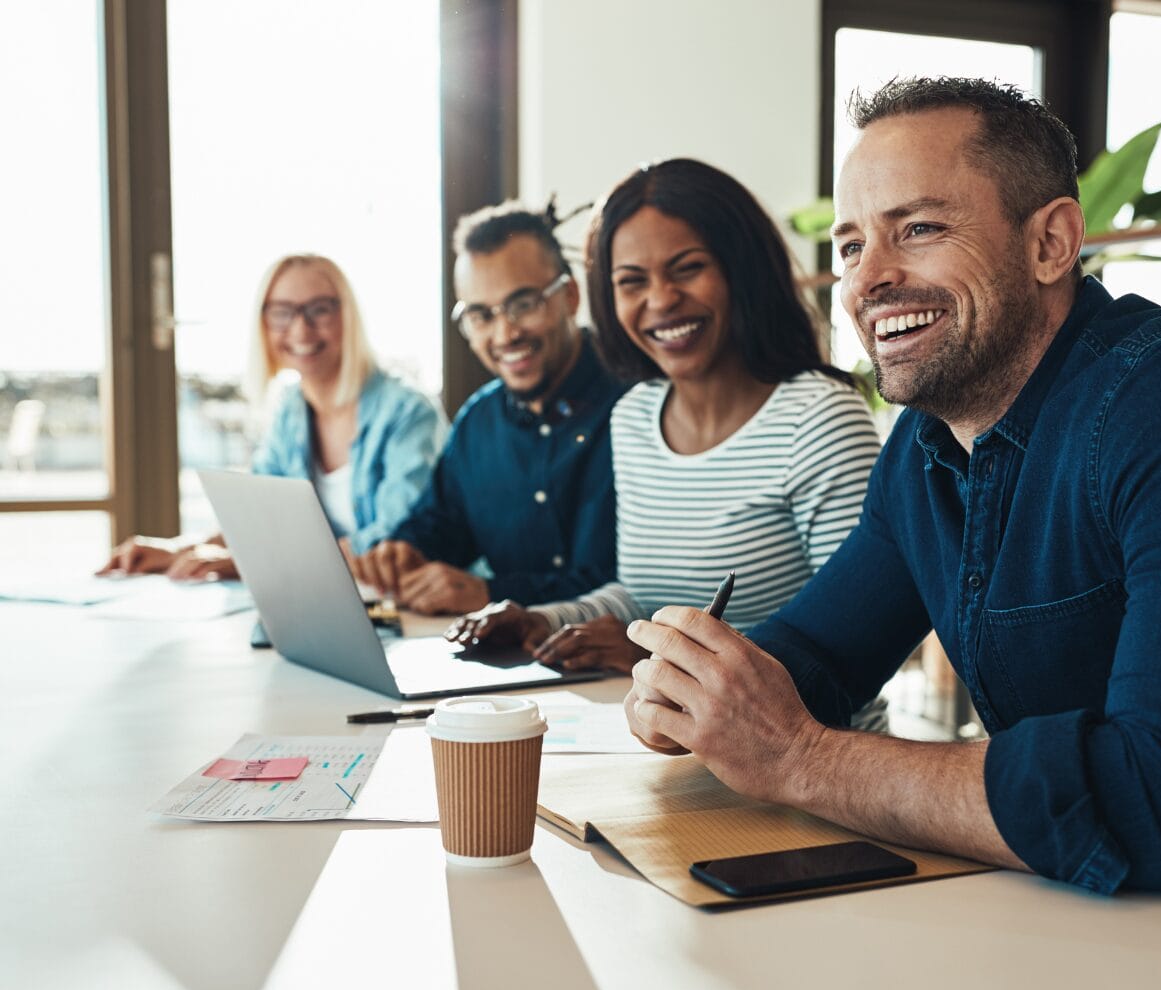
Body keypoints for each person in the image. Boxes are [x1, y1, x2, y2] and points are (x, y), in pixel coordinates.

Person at [619, 79, 1161, 990]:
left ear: (1051, 242)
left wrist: (801, 756)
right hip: (1089, 935)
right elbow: (818, 654)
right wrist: (699, 688)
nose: (868, 280)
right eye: (851, 243)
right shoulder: (924, 445)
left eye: (918, 229)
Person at [444, 159, 882, 688]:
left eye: (687, 268)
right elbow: (639, 596)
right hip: (664, 740)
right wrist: (543, 619)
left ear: (739, 270)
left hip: (801, 758)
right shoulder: (634, 415)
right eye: (632, 281)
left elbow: (856, 642)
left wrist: (659, 658)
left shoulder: (819, 418)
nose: (660, 300)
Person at [347, 202, 626, 615]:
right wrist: (404, 551)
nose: (505, 334)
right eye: (480, 315)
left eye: (524, 304)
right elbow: (441, 523)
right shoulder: (479, 421)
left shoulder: (638, 406)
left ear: (569, 296)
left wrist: (491, 593)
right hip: (508, 665)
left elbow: (631, 587)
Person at [99, 253, 442, 580]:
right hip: (328, 602)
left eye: (319, 310)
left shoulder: (408, 412)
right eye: (282, 312)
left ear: (348, 316)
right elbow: (259, 519)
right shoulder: (291, 409)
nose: (300, 329)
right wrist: (179, 548)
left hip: (410, 606)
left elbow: (396, 541)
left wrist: (251, 563)